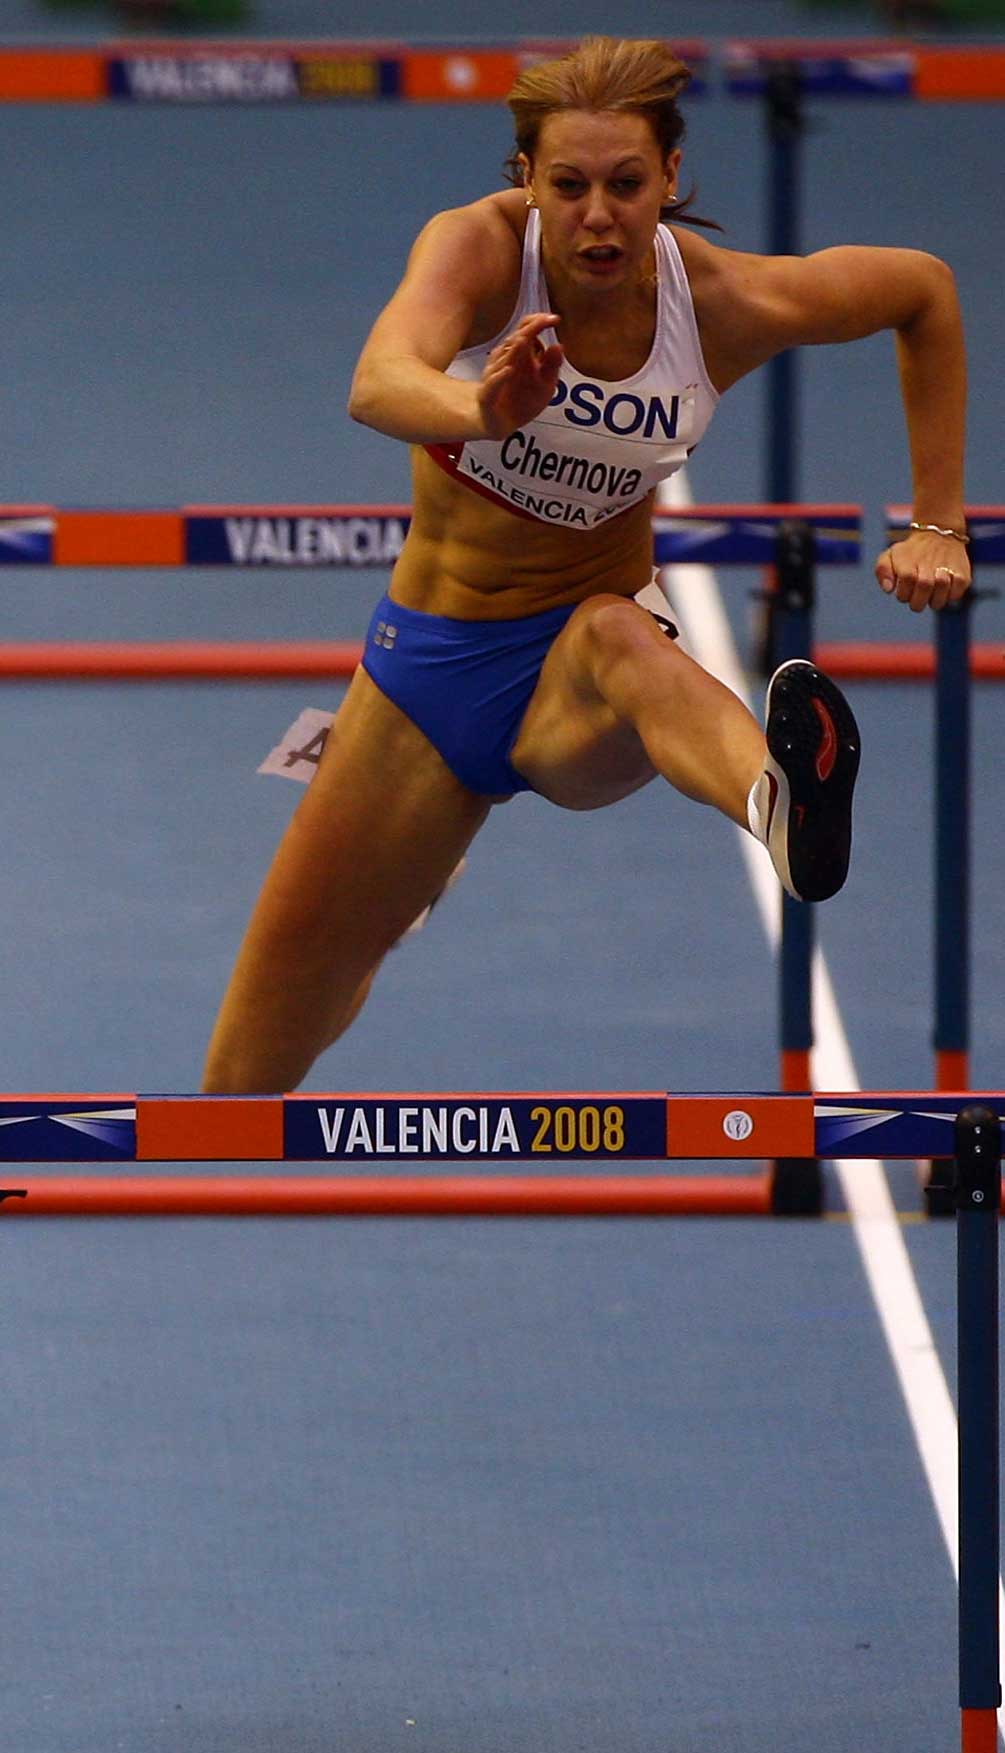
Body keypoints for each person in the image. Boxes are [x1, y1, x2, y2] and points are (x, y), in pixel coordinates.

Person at [202, 36, 969, 1094]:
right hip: (427, 676)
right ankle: (403, 887)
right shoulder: (478, 252)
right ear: (527, 182)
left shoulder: (720, 306)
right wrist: (481, 405)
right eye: (568, 187)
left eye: (625, 185)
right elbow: (377, 381)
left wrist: (938, 522)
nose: (598, 216)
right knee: (243, 1082)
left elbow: (922, 294)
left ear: (669, 178)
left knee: (621, 634)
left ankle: (780, 806)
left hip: (583, 673)